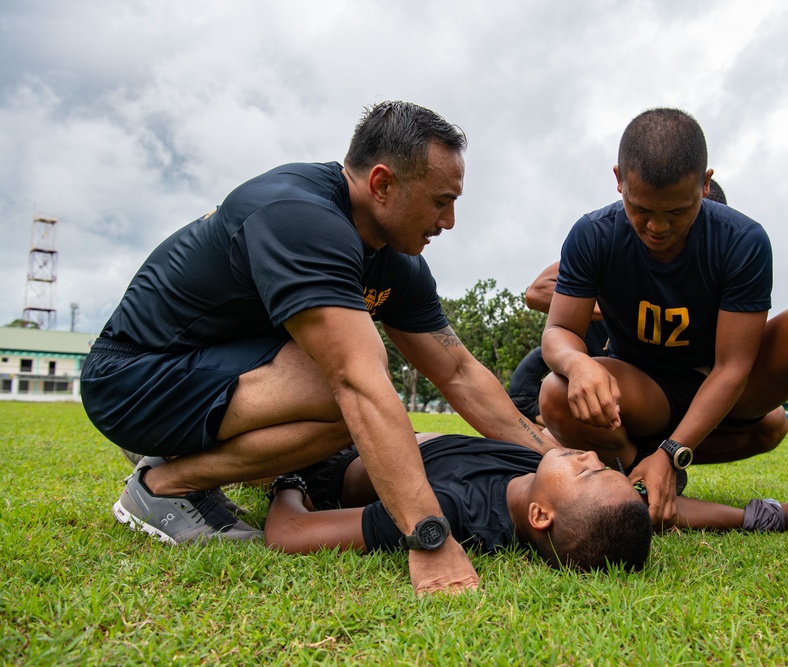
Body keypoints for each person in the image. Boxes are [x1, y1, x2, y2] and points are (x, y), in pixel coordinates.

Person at [80, 100, 554, 594]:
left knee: (348, 393)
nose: (451, 220)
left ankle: (179, 460)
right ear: (382, 184)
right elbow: (354, 380)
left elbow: (458, 373)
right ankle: (163, 489)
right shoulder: (299, 216)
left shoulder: (397, 261)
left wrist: (559, 457)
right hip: (131, 380)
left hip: (209, 382)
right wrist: (429, 537)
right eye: (440, 201)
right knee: (345, 389)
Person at [539, 107, 788, 558]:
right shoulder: (593, 234)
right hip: (643, 391)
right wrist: (578, 363)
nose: (657, 227)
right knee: (555, 393)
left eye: (677, 211)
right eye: (640, 209)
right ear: (618, 178)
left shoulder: (742, 240)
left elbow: (733, 365)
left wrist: (672, 452)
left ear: (705, 183)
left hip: (725, 385)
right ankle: (636, 469)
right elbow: (559, 329)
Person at [264, 433, 788, 575]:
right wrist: (761, 517)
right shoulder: (542, 476)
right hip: (398, 436)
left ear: (541, 516)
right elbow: (665, 512)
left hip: (332, 457)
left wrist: (286, 478)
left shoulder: (447, 513)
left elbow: (289, 535)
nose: (593, 455)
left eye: (588, 470)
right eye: (603, 466)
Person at [509, 178, 730, 426]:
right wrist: (618, 304)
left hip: (683, 382)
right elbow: (537, 292)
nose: (663, 229)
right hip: (629, 375)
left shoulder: (724, 255)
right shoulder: (613, 244)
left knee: (769, 422)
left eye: (681, 216)